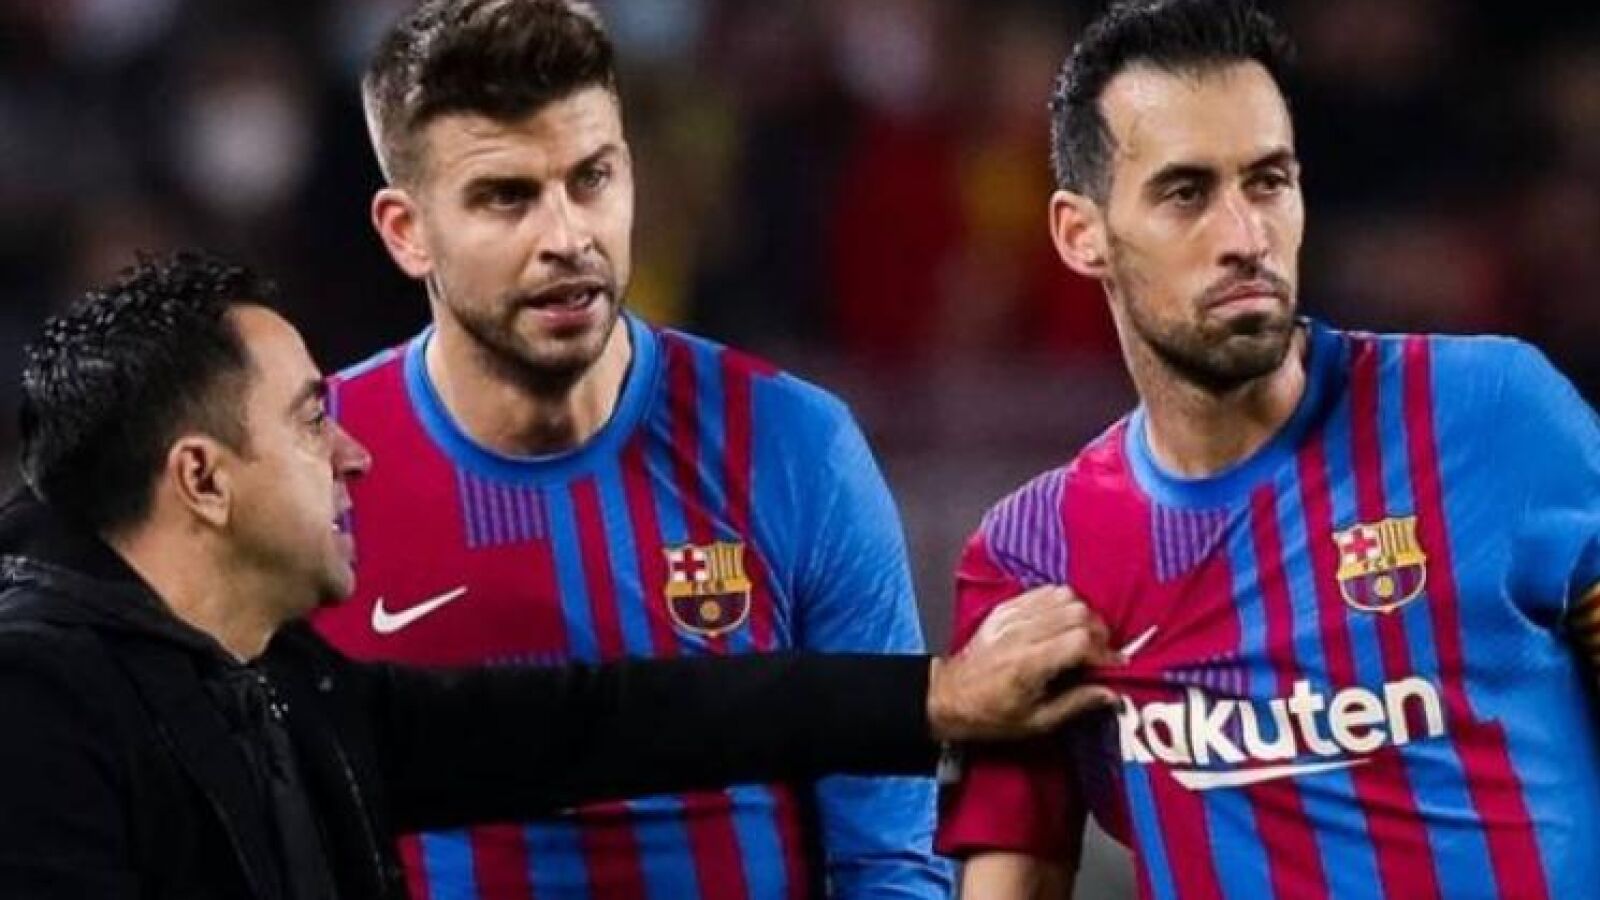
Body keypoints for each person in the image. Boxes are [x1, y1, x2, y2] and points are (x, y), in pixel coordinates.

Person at [0, 251, 1120, 900]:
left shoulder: (280, 682)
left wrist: (932, 695)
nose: (352, 453)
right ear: (201, 478)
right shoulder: (36, 705)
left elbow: (600, 721)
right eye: (307, 421)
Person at [935, 1, 1600, 898]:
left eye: (1268, 182)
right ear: (1080, 233)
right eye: (1186, 193)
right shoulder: (1032, 560)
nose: (1245, 237)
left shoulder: (1494, 417)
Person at [309, 2, 953, 898]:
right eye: (508, 197)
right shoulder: (314, 466)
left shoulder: (794, 445)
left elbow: (889, 857)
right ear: (405, 231)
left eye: (592, 179)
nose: (567, 237)